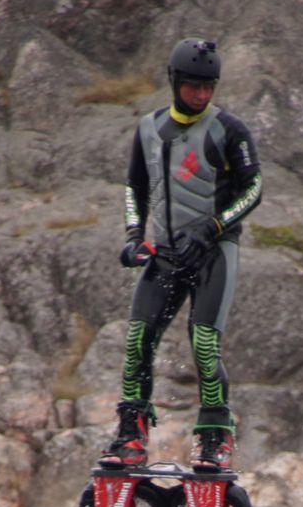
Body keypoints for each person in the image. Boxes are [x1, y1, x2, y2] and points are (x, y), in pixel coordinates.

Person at [99, 37, 262, 473]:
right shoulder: (149, 129)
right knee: (137, 341)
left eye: (209, 87)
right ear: (174, 81)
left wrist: (212, 229)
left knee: (204, 345)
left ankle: (213, 441)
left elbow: (253, 190)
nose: (202, 95)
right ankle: (131, 436)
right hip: (166, 255)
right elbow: (135, 187)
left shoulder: (229, 129)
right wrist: (134, 235)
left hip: (213, 253)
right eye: (193, 87)